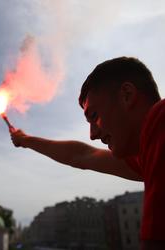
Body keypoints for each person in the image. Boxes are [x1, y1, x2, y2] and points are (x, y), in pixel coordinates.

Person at [10, 57, 165, 249]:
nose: (92, 135)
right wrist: (26, 140)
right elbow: (82, 156)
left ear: (127, 94)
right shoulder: (148, 154)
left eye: (94, 116)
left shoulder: (160, 121)